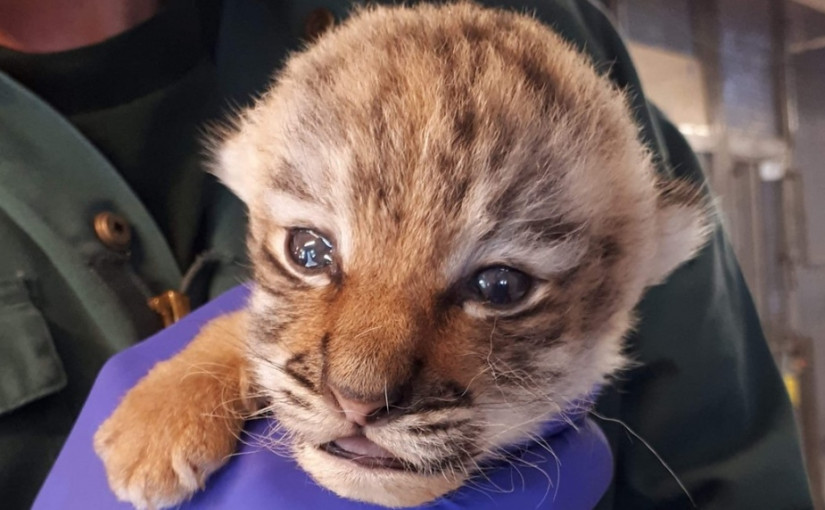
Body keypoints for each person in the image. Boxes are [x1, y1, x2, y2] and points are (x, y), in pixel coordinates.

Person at [0, 0, 812, 509]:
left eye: (498, 285)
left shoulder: (556, 66)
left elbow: (729, 475)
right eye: (311, 249)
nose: (363, 383)